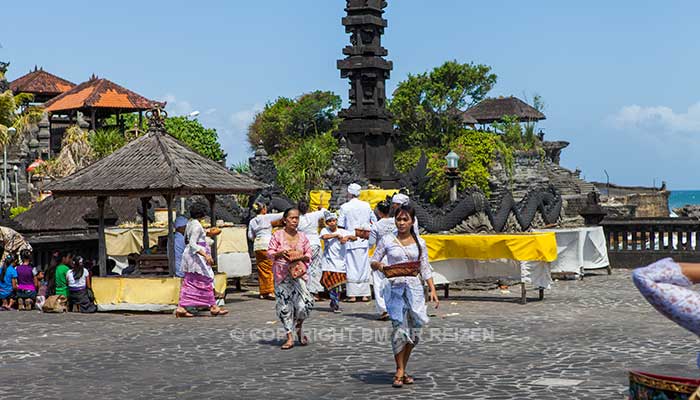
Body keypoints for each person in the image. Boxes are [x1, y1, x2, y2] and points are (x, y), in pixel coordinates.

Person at [370, 204, 439, 388]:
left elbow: (424, 267)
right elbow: (373, 261)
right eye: (398, 219)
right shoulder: (387, 240)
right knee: (399, 329)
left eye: (405, 219)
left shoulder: (419, 243)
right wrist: (382, 267)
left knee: (415, 331)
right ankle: (399, 370)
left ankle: (404, 367)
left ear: (412, 222)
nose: (401, 223)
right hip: (395, 290)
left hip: (415, 290)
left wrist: (432, 289)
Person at [267, 207, 314, 349]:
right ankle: (289, 336)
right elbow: (270, 252)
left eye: (297, 218)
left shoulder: (303, 236)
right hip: (282, 275)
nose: (295, 221)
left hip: (298, 274)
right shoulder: (277, 235)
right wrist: (280, 254)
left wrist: (302, 256)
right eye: (292, 218)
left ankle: (299, 327)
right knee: (285, 307)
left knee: (304, 305)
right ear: (285, 220)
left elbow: (309, 253)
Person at [175, 203, 229, 318]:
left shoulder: (190, 223)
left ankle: (182, 306)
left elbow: (188, 239)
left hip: (191, 255)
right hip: (196, 256)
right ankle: (213, 306)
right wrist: (206, 255)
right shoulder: (196, 226)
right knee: (207, 278)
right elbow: (193, 243)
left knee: (190, 281)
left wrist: (206, 233)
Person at [338, 183, 377, 302]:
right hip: (364, 239)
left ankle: (352, 294)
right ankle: (365, 294)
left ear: (349, 193)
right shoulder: (366, 206)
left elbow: (340, 225)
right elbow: (374, 221)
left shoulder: (345, 207)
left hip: (350, 239)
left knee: (351, 266)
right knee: (364, 266)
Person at [320, 213, 356, 313]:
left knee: (338, 284)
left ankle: (335, 302)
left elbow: (355, 237)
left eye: (334, 221)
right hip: (329, 262)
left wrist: (347, 237)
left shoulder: (343, 231)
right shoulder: (325, 230)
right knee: (331, 283)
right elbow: (324, 236)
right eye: (330, 221)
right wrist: (335, 235)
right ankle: (334, 302)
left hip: (340, 262)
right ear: (327, 223)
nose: (332, 223)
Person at [247, 202, 283, 300]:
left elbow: (250, 236)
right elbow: (281, 215)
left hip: (257, 246)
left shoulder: (252, 221)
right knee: (270, 268)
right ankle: (270, 291)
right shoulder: (267, 217)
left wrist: (257, 236)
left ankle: (263, 291)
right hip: (267, 245)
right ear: (263, 209)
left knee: (262, 269)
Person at [369, 200, 396, 320]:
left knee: (379, 283)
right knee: (394, 282)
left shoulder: (377, 225)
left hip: (381, 256)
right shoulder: (396, 223)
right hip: (395, 254)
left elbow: (371, 243)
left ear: (379, 212)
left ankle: (384, 309)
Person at [297, 200, 328, 300]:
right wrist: (321, 208)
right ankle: (315, 293)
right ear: (308, 208)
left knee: (304, 268)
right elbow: (326, 212)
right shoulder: (314, 215)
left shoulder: (297, 219)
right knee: (316, 268)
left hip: (303, 245)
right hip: (315, 244)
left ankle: (304, 291)